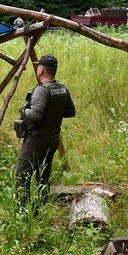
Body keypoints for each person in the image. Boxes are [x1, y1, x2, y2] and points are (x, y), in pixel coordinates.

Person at [16, 54, 75, 209]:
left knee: (22, 173)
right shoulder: (62, 88)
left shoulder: (42, 90)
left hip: (37, 139)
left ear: (41, 70)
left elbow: (35, 115)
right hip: (53, 137)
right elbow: (70, 112)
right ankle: (41, 205)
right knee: (43, 172)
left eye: (38, 67)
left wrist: (24, 111)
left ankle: (22, 211)